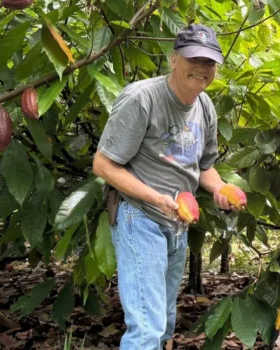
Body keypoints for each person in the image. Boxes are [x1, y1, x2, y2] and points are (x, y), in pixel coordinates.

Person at [92, 23, 246, 350]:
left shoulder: (205, 107)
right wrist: (156, 198)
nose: (202, 68)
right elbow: (103, 165)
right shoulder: (142, 98)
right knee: (147, 326)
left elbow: (204, 168)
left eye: (210, 62)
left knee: (163, 322)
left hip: (177, 224)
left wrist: (220, 189)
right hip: (140, 216)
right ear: (174, 59)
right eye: (194, 59)